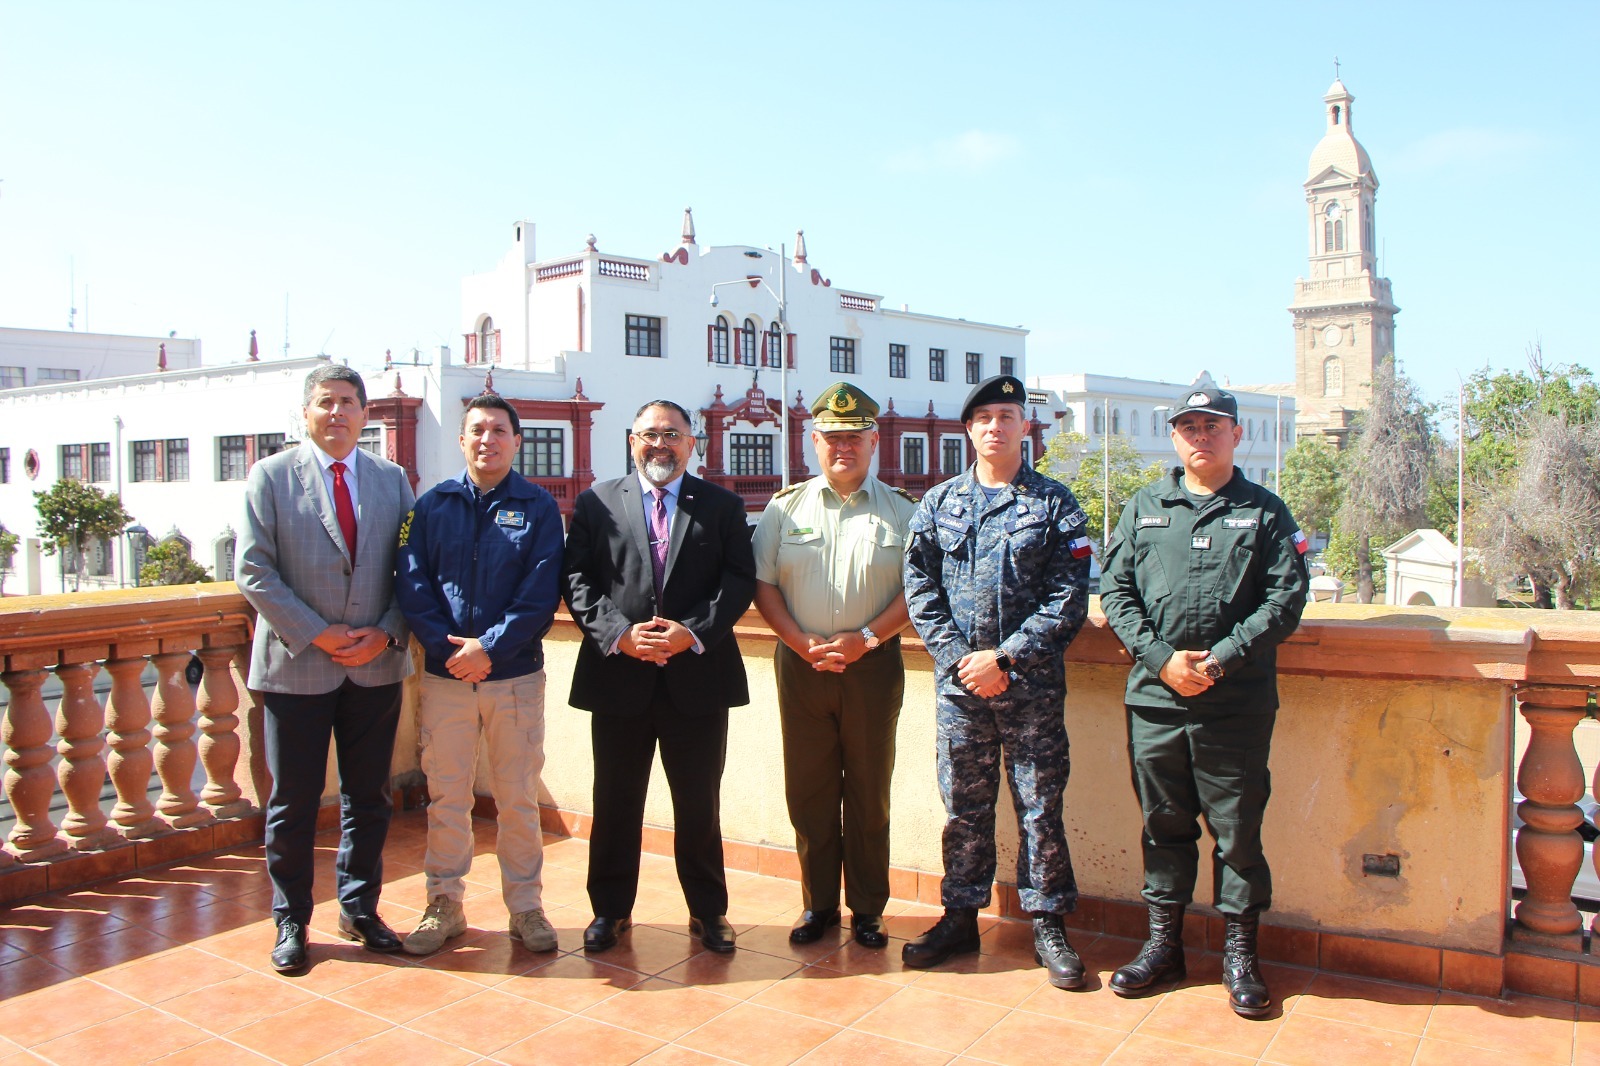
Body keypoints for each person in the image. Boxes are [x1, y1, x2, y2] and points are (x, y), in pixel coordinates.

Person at [1098, 385, 1309, 1018]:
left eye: (1213, 425)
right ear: (1174, 436)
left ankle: (1240, 957)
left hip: (1234, 703)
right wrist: (1161, 659)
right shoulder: (1144, 507)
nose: (1201, 436)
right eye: (1189, 426)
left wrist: (1220, 659)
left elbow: (1286, 600)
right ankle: (1164, 948)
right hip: (1156, 700)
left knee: (1237, 832)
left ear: (1237, 435)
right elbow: (1115, 592)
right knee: (1163, 826)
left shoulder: (1265, 512)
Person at [901, 374, 1093, 990]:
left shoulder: (1055, 503)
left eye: (1006, 416)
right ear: (968, 429)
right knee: (963, 805)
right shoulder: (939, 503)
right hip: (961, 691)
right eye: (983, 418)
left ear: (1024, 427)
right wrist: (962, 659)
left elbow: (1069, 596)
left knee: (1040, 806)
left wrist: (1005, 660)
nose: (995, 427)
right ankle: (960, 916)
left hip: (1030, 689)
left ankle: (1048, 923)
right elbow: (919, 587)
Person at [561, 399, 757, 955]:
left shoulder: (721, 505)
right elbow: (576, 578)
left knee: (699, 805)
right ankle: (609, 911)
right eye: (650, 434)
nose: (660, 444)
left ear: (691, 444)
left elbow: (738, 580)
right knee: (615, 802)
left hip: (698, 680)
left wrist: (691, 633)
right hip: (618, 678)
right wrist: (619, 634)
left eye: (672, 434)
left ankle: (708, 911)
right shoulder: (597, 501)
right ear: (632, 441)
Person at [237, 364, 415, 973]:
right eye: (324, 401)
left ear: (365, 414)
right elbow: (253, 569)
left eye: (347, 402)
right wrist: (317, 632)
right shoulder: (270, 476)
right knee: (292, 801)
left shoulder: (392, 480)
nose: (336, 412)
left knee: (369, 797)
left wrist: (387, 630)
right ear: (306, 412)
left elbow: (412, 569)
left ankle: (359, 907)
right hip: (297, 666)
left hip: (374, 665)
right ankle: (291, 918)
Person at [394, 394, 565, 956]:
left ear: (516, 441)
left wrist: (489, 648)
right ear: (462, 440)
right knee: (446, 795)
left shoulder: (539, 508)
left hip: (514, 677)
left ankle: (526, 907)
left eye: (498, 430)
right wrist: (451, 652)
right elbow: (411, 583)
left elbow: (541, 591)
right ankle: (443, 902)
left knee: (517, 798)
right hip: (446, 678)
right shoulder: (431, 506)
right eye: (477, 430)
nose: (487, 440)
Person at [751, 383, 917, 950]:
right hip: (802, 667)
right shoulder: (784, 508)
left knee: (869, 792)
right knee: (809, 790)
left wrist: (866, 639)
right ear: (814, 442)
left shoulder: (903, 511)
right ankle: (817, 903)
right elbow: (763, 585)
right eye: (832, 438)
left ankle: (868, 908)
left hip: (872, 667)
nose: (843, 447)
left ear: (873, 442)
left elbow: (917, 591)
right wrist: (799, 643)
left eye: (854, 437)